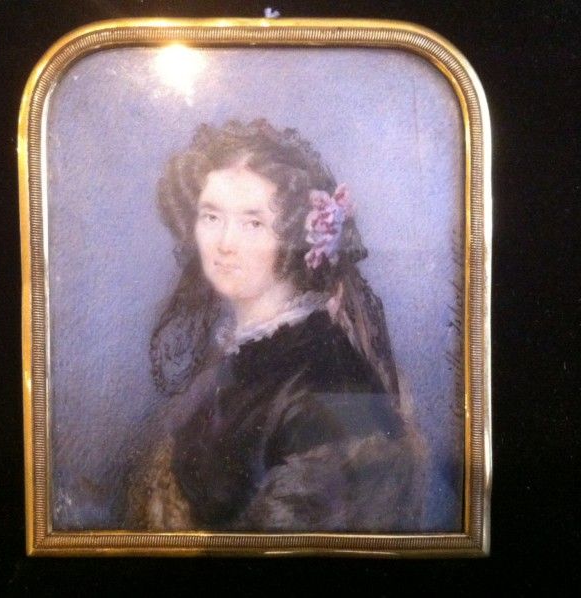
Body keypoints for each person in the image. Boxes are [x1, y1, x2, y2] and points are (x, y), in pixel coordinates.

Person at [125, 119, 426, 532]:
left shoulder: (330, 378)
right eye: (211, 216)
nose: (224, 243)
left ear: (296, 240)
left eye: (253, 223)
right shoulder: (238, 356)